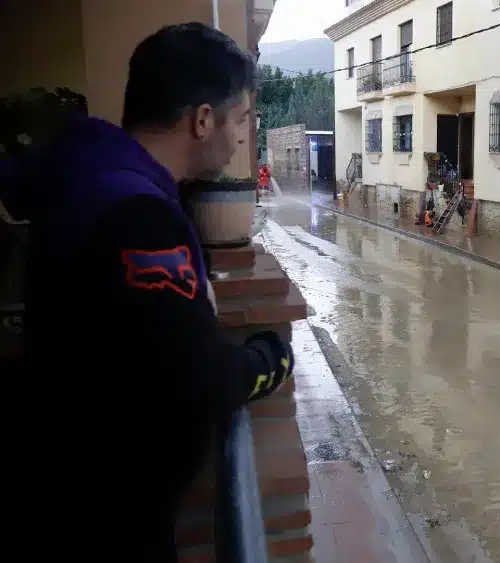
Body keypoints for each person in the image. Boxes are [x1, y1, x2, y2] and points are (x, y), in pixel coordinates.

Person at [15, 23, 294, 561]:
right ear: (203, 120)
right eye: (240, 119)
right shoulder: (139, 217)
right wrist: (270, 357)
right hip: (102, 515)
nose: (243, 136)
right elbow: (202, 379)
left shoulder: (88, 168)